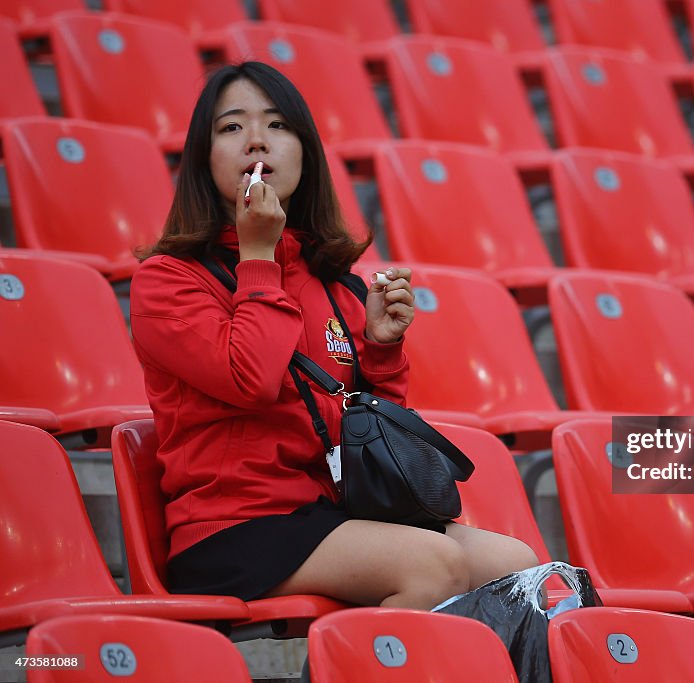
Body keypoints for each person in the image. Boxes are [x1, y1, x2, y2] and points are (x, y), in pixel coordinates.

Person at [130, 62, 538, 610]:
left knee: (518, 569)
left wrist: (382, 347)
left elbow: (372, 426)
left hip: (333, 514)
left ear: (306, 153)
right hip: (231, 527)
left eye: (277, 125)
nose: (256, 141)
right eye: (231, 128)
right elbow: (248, 379)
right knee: (433, 566)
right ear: (203, 162)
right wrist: (257, 258)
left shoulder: (333, 281)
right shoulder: (168, 279)